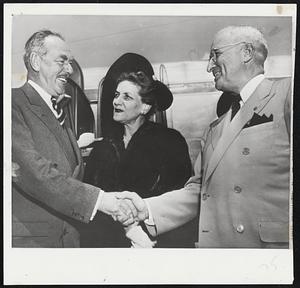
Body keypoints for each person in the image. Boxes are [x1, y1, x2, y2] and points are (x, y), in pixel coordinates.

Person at [118, 25, 292, 248]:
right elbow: (199, 191)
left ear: (246, 53)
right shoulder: (215, 129)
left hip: (269, 255)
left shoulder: (287, 93)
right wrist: (147, 208)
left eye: (215, 55)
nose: (210, 66)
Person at [12, 30, 136, 248]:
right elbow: (34, 171)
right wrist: (102, 201)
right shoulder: (11, 103)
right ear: (35, 61)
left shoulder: (58, 110)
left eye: (69, 63)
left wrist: (113, 199)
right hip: (34, 244)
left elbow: (71, 174)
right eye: (62, 61)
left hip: (68, 241)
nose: (69, 70)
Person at [82, 53, 197, 248]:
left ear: (144, 107)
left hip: (154, 242)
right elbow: (90, 197)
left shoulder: (170, 142)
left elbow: (177, 200)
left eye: (127, 97)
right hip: (107, 244)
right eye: (117, 95)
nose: (116, 102)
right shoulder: (102, 147)